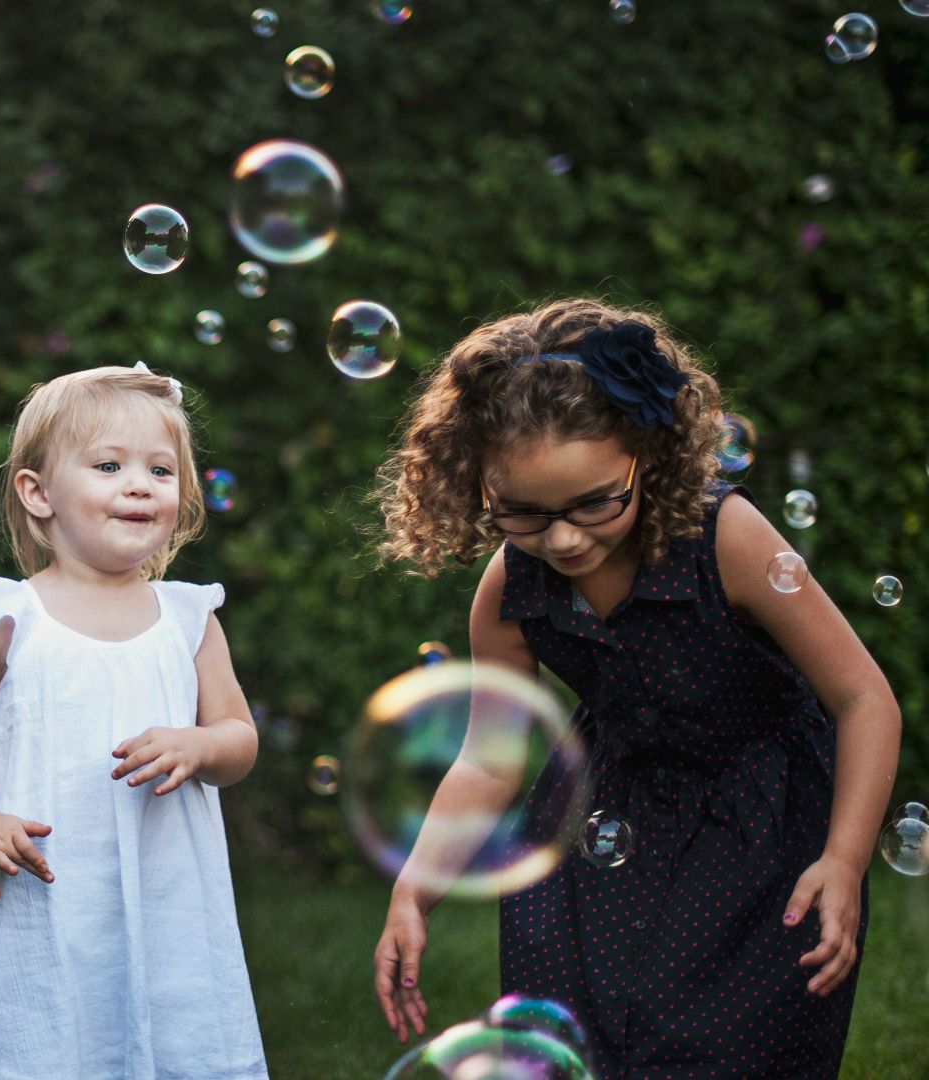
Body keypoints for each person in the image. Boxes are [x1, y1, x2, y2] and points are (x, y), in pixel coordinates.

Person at [368, 298, 901, 1078]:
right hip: (601, 820)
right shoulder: (511, 589)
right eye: (521, 513)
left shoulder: (729, 541)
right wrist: (415, 890)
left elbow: (863, 699)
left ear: (647, 455)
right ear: (477, 483)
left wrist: (844, 860)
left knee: (726, 1045)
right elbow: (489, 760)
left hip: (757, 820)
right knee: (586, 1038)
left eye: (594, 502)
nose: (562, 538)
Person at [0, 364, 268, 1080]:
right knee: (42, 1043)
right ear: (37, 493)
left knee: (165, 1036)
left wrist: (200, 745)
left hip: (163, 891)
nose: (139, 484)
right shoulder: (3, 618)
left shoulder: (189, 619)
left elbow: (238, 739)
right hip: (36, 894)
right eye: (109, 465)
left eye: (161, 470)